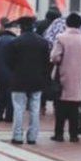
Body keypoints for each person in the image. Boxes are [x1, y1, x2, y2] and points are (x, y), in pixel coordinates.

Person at [51, 12, 81, 142]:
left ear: (67, 23)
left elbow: (54, 57)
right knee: (75, 107)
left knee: (61, 107)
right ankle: (74, 135)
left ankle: (59, 134)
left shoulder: (61, 37)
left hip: (63, 75)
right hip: (79, 75)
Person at [7, 17, 50, 145]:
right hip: (37, 79)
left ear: (21, 27)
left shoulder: (15, 42)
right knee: (35, 108)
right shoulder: (43, 42)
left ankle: (17, 135)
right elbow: (46, 63)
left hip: (19, 79)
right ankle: (32, 136)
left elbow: (9, 62)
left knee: (18, 108)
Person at [0, 21, 18, 123]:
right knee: (10, 96)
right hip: (11, 71)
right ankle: (9, 116)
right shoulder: (14, 40)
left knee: (0, 94)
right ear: (12, 29)